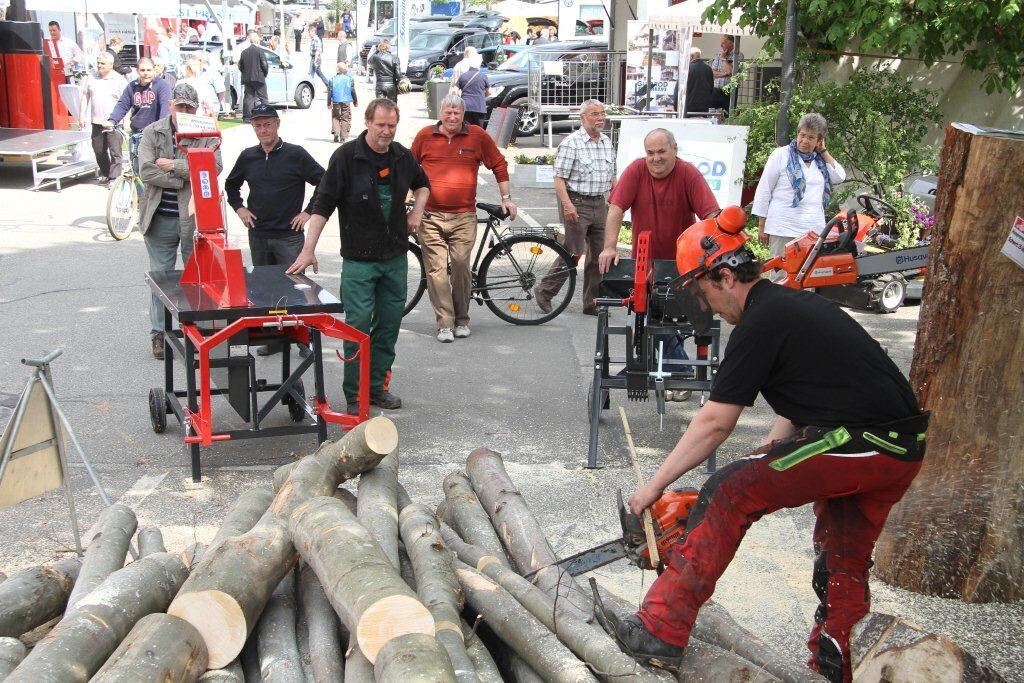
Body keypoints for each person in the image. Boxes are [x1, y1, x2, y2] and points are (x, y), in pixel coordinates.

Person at [604, 209, 927, 683]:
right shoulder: (783, 308)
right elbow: (805, 398)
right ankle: (837, 663)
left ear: (726, 276)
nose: (708, 306)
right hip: (896, 446)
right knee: (842, 555)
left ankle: (660, 629)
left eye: (704, 292)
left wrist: (651, 489)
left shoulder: (763, 320)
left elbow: (715, 423)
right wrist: (766, 457)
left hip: (864, 440)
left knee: (732, 491)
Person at [286, 99, 430, 412]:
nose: (386, 132)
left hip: (394, 258)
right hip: (359, 263)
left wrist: (416, 213)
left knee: (389, 326)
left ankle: (376, 387)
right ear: (367, 122)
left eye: (391, 126)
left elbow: (423, 185)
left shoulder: (402, 157)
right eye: (381, 125)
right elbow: (323, 205)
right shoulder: (345, 158)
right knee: (358, 326)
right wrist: (308, 248)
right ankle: (354, 395)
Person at [411, 93, 515, 342]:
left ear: (463, 115)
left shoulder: (477, 136)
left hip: (463, 216)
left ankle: (462, 319)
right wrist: (407, 197)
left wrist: (506, 198)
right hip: (430, 215)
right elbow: (408, 168)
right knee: (436, 270)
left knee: (460, 265)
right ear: (441, 112)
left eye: (457, 112)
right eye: (448, 111)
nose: (452, 116)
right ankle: (445, 324)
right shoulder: (425, 136)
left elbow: (499, 164)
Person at [138, 83, 223, 359]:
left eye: (189, 107)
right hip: (159, 218)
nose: (183, 111)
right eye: (180, 106)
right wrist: (189, 173)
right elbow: (147, 171)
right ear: (171, 105)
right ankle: (159, 334)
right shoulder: (153, 132)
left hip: (193, 221)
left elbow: (214, 168)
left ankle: (194, 333)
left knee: (196, 279)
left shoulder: (207, 131)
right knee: (161, 279)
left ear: (195, 108)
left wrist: (172, 165)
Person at [225, 101, 324, 288]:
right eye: (258, 126)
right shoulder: (248, 156)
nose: (263, 130)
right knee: (262, 288)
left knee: (295, 288)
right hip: (258, 235)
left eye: (267, 125)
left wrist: (308, 212)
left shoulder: (296, 154)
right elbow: (231, 185)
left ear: (277, 124)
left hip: (289, 237)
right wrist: (239, 208)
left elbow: (325, 182)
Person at [599, 128, 719, 272]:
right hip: (643, 263)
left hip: (683, 262)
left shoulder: (689, 173)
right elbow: (616, 208)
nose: (656, 158)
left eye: (661, 151)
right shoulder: (636, 170)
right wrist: (609, 248)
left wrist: (716, 251)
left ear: (675, 149)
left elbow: (712, 216)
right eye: (650, 153)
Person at [535, 100, 613, 315]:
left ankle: (592, 302)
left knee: (599, 256)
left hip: (600, 202)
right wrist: (568, 205)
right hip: (576, 203)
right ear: (583, 118)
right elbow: (559, 178)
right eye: (595, 114)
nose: (600, 118)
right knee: (573, 252)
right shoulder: (572, 143)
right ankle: (545, 291)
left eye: (602, 113)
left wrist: (617, 198)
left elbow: (610, 175)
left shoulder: (606, 141)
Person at [753, 113, 847, 260]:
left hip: (813, 230)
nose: (804, 141)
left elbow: (839, 176)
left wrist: (823, 151)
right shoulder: (781, 155)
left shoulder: (820, 160)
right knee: (780, 278)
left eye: (811, 137)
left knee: (807, 278)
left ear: (819, 140)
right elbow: (764, 189)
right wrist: (761, 225)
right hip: (782, 227)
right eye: (802, 135)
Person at [105, 58, 173, 167]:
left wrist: (161, 128)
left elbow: (165, 107)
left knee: (152, 168)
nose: (146, 73)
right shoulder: (132, 86)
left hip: (155, 134)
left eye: (149, 70)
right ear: (137, 71)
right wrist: (112, 120)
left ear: (154, 70)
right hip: (137, 133)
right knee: (136, 166)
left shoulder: (162, 85)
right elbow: (123, 104)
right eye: (142, 70)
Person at [81, 53, 128, 184]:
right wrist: (81, 115)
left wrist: (126, 120)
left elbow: (127, 102)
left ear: (111, 65)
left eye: (102, 63)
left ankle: (114, 178)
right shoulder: (91, 77)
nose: (99, 65)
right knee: (98, 150)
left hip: (114, 122)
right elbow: (85, 96)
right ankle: (107, 173)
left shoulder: (119, 80)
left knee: (115, 152)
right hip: (97, 121)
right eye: (98, 63)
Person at [237, 30, 269, 122]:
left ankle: (247, 117)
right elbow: (265, 64)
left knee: (248, 97)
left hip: (247, 78)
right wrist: (265, 74)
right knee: (263, 97)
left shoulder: (244, 52)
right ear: (257, 41)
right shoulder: (260, 51)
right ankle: (266, 115)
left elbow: (240, 65)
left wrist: (244, 73)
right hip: (259, 77)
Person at [454, 53, 488, 127]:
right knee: (479, 130)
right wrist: (482, 95)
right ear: (479, 65)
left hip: (466, 106)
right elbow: (490, 91)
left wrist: (460, 99)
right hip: (479, 106)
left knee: (466, 129)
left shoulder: (463, 76)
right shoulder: (483, 76)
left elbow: (454, 91)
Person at [711, 35, 743, 112]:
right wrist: (725, 74)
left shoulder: (738, 55)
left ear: (730, 43)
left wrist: (723, 59)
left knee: (728, 114)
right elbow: (712, 73)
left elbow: (732, 72)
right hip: (716, 89)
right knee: (711, 112)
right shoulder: (718, 55)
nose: (721, 45)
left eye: (723, 43)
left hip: (730, 91)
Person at [328, 62, 358, 142]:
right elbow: (352, 91)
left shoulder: (332, 79)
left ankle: (336, 132)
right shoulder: (350, 79)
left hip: (335, 101)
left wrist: (328, 103)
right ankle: (343, 137)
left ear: (337, 69)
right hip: (346, 101)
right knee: (345, 118)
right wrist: (355, 101)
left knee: (335, 116)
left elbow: (330, 92)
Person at [684, 47, 714, 115]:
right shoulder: (708, 68)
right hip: (704, 105)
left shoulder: (688, 69)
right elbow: (711, 87)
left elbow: (681, 87)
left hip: (689, 105)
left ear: (691, 56)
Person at [307, 24, 331, 90]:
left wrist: (315, 60)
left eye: (309, 32)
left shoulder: (316, 39)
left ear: (313, 32)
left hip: (315, 58)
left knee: (312, 74)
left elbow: (317, 50)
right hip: (314, 58)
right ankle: (328, 85)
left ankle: (328, 85)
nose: (309, 34)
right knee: (314, 74)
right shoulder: (313, 39)